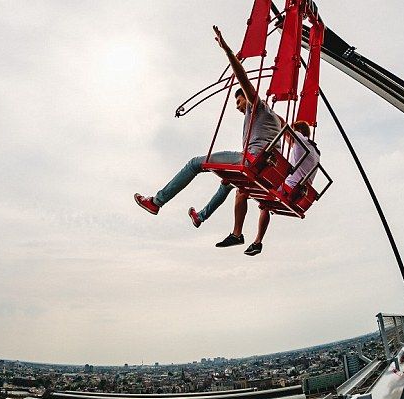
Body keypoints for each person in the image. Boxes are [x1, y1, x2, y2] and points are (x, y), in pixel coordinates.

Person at [135, 26, 282, 257]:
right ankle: (202, 216)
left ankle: (156, 201)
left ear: (246, 98)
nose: (238, 106)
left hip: (252, 161)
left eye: (239, 101)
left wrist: (227, 51)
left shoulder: (257, 106)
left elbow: (242, 77)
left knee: (195, 163)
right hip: (265, 168)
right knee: (226, 183)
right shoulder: (276, 119)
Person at [203, 120, 320, 257]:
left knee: (241, 192)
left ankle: (237, 234)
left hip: (287, 189)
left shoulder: (300, 139)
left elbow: (284, 125)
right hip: (297, 196)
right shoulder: (316, 152)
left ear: (298, 131)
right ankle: (257, 243)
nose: (288, 141)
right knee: (265, 205)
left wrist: (272, 117)